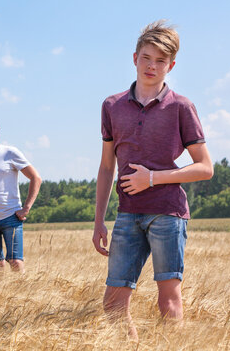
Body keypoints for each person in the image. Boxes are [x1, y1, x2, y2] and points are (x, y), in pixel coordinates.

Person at [92, 20, 214, 338]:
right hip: (127, 215)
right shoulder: (112, 106)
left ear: (171, 65)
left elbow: (205, 167)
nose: (152, 66)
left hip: (167, 213)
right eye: (147, 57)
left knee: (168, 303)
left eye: (161, 60)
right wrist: (98, 221)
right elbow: (107, 168)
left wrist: (154, 178)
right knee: (113, 305)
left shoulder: (182, 108)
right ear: (135, 58)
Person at [0, 119, 42, 272]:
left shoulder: (10, 153)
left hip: (11, 216)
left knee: (15, 261)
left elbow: (36, 178)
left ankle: (22, 294)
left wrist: (26, 208)